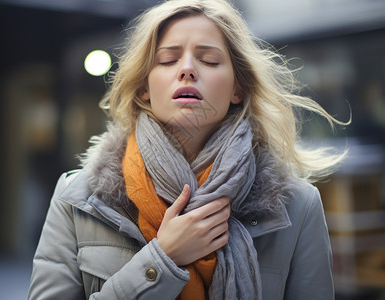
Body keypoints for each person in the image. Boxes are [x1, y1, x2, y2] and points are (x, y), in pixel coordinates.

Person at [28, 0, 348, 299]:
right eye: (168, 59)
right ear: (144, 87)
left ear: (238, 88)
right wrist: (162, 260)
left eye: (209, 60)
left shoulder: (298, 206)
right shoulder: (78, 199)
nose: (187, 69)